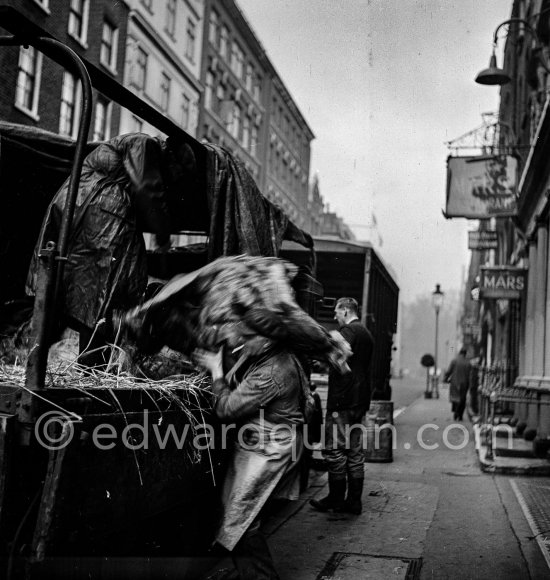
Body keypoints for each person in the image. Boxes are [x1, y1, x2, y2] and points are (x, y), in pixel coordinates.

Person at [194, 311, 307, 580]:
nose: (241, 343)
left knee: (241, 520)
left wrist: (216, 371)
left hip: (269, 447)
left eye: (248, 338)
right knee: (237, 514)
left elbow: (225, 408)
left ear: (267, 341)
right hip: (261, 442)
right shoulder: (271, 355)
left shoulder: (272, 372)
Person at [310, 297, 374, 515]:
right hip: (360, 400)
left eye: (337, 312)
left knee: (335, 450)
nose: (334, 316)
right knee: (355, 452)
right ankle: (354, 502)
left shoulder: (347, 332)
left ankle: (336, 498)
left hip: (342, 400)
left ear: (346, 311)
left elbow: (339, 358)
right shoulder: (366, 334)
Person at [444, 347, 471, 421]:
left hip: (455, 382)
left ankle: (456, 412)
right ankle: (460, 414)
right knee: (463, 399)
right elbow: (470, 375)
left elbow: (449, 371)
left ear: (460, 353)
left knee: (455, 398)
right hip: (464, 383)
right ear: (465, 354)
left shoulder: (454, 361)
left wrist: (445, 379)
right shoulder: (468, 362)